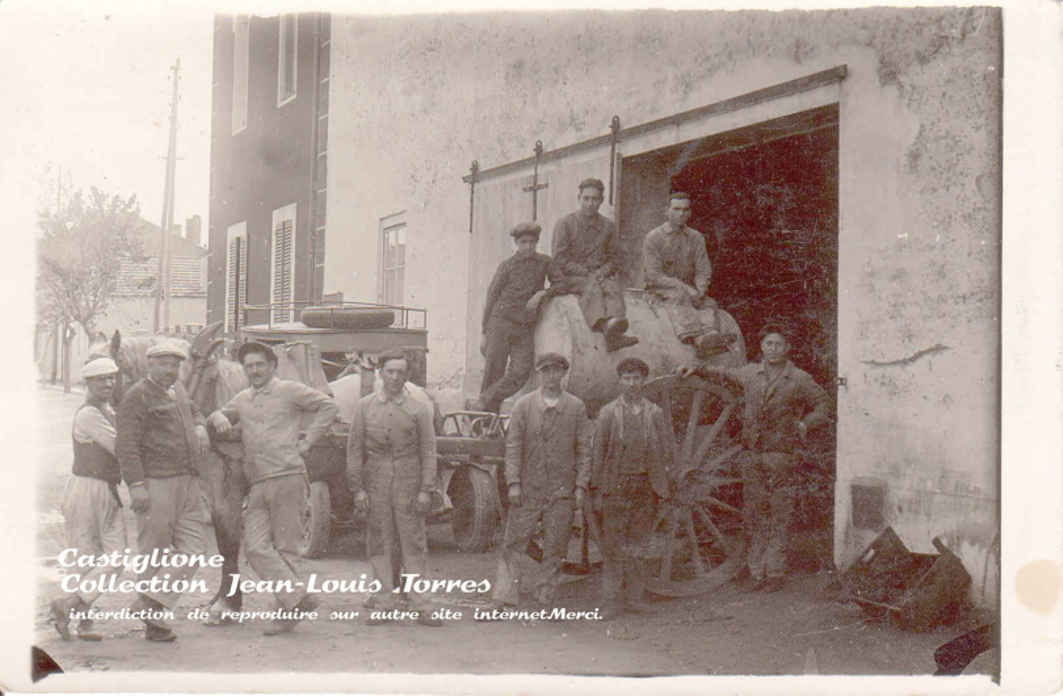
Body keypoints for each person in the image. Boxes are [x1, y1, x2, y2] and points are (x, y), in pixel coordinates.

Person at [684, 321, 829, 592]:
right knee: (754, 514)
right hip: (752, 455)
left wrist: (805, 424)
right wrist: (697, 369)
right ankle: (756, 572)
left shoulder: (798, 379)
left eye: (778, 344)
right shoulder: (751, 374)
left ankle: (774, 573)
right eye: (768, 344)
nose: (772, 349)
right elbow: (723, 373)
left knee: (779, 514)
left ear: (787, 348)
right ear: (761, 348)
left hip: (781, 455)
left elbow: (823, 404)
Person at [208, 341, 338, 634]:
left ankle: (286, 613)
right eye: (249, 366)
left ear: (272, 366)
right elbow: (222, 414)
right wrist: (218, 416)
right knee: (254, 546)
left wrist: (309, 440)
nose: (254, 371)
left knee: (286, 547)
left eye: (259, 365)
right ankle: (297, 598)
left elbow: (328, 406)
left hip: (288, 476)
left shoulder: (289, 390)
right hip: (257, 483)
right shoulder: (242, 399)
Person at [115, 339, 211, 642]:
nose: (171, 370)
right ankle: (154, 625)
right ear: (150, 364)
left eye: (175, 364)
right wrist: (137, 486)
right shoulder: (136, 396)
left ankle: (149, 601)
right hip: (155, 483)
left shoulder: (179, 390)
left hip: (188, 482)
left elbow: (195, 411)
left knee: (195, 550)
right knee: (153, 554)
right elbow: (126, 445)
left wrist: (199, 425)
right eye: (164, 363)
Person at [486, 352, 592, 613]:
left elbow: (583, 450)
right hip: (528, 487)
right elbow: (513, 447)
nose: (551, 376)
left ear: (563, 374)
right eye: (546, 371)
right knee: (514, 542)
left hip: (561, 489)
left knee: (556, 545)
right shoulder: (524, 405)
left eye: (557, 371)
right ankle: (504, 596)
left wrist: (580, 486)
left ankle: (546, 598)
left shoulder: (576, 407)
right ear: (539, 374)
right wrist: (513, 482)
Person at [346, 349, 441, 627]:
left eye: (401, 372)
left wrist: (426, 489)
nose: (395, 377)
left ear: (406, 376)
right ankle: (383, 602)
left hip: (409, 482)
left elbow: (428, 451)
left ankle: (422, 605)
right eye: (390, 371)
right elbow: (354, 450)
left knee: (414, 543)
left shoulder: (418, 409)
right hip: (375, 481)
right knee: (379, 542)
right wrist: (358, 489)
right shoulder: (365, 407)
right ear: (380, 373)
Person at [49, 357, 127, 641]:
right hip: (86, 488)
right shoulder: (89, 414)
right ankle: (83, 621)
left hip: (106, 487)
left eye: (111, 378)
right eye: (101, 379)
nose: (108, 383)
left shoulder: (108, 409)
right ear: (87, 383)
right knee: (85, 557)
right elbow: (120, 448)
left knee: (116, 557)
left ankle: (69, 605)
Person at [591, 357, 671, 619]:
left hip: (645, 485)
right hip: (616, 485)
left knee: (639, 544)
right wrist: (598, 490)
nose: (632, 383)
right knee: (614, 546)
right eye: (627, 378)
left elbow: (667, 448)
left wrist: (664, 484)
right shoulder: (608, 413)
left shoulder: (655, 413)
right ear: (619, 381)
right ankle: (611, 601)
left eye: (636, 378)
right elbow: (598, 454)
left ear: (644, 381)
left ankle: (635, 598)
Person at [549, 178, 638, 352]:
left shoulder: (608, 226)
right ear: (579, 198)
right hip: (571, 277)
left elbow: (615, 258)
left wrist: (603, 271)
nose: (590, 203)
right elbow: (559, 259)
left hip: (599, 274)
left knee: (612, 286)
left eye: (595, 199)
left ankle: (616, 324)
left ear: (601, 201)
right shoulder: (565, 224)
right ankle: (605, 326)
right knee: (592, 286)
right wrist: (584, 271)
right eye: (586, 198)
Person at [473, 221, 552, 413]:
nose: (528, 247)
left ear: (537, 243)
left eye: (532, 242)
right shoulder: (507, 266)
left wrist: (542, 294)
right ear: (516, 243)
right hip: (500, 322)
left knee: (521, 371)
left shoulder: (544, 262)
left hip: (524, 326)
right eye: (523, 242)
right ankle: (483, 424)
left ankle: (483, 400)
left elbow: (561, 283)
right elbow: (491, 296)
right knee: (494, 371)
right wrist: (484, 332)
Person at [643, 191, 732, 357]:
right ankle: (696, 338)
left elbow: (703, 269)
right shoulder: (654, 238)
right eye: (676, 209)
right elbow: (654, 275)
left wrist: (700, 290)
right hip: (662, 288)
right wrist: (685, 288)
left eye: (685, 210)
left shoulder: (696, 237)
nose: (681, 213)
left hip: (691, 290)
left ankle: (711, 335)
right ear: (666, 211)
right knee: (679, 296)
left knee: (708, 303)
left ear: (690, 213)